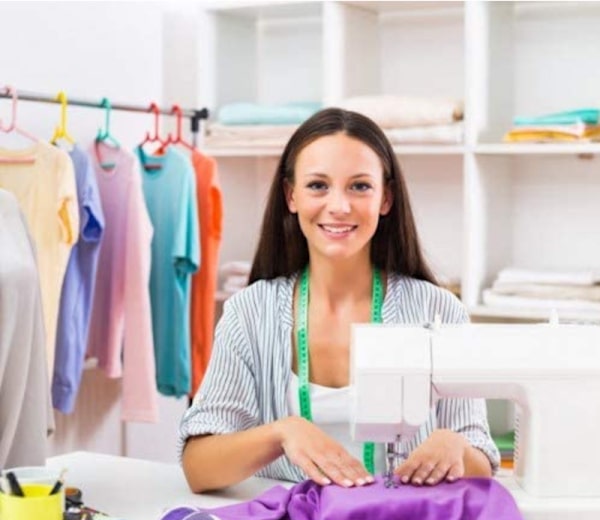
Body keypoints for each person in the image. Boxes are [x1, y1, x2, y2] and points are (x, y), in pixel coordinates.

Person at [179, 107, 499, 493]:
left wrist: (456, 447)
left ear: (386, 198)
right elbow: (198, 467)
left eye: (359, 186)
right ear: (291, 196)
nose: (339, 206)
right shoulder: (249, 312)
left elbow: (481, 462)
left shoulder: (440, 312)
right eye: (318, 185)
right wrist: (282, 433)